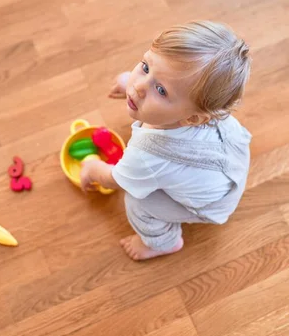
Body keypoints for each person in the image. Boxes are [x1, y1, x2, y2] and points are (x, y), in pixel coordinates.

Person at [80, 20, 252, 260]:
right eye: (146, 67)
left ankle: (163, 242)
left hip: (211, 204)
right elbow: (157, 84)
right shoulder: (205, 109)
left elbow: (114, 180)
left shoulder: (146, 155)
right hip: (230, 162)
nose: (138, 86)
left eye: (161, 91)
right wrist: (135, 82)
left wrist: (92, 168)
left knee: (137, 201)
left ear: (193, 118)